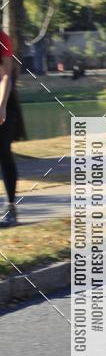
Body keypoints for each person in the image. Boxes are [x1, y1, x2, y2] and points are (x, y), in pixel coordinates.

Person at [0, 29, 26, 227]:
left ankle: (11, 208)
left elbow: (5, 77)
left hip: (4, 104)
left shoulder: (2, 39)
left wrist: (1, 107)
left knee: (3, 154)